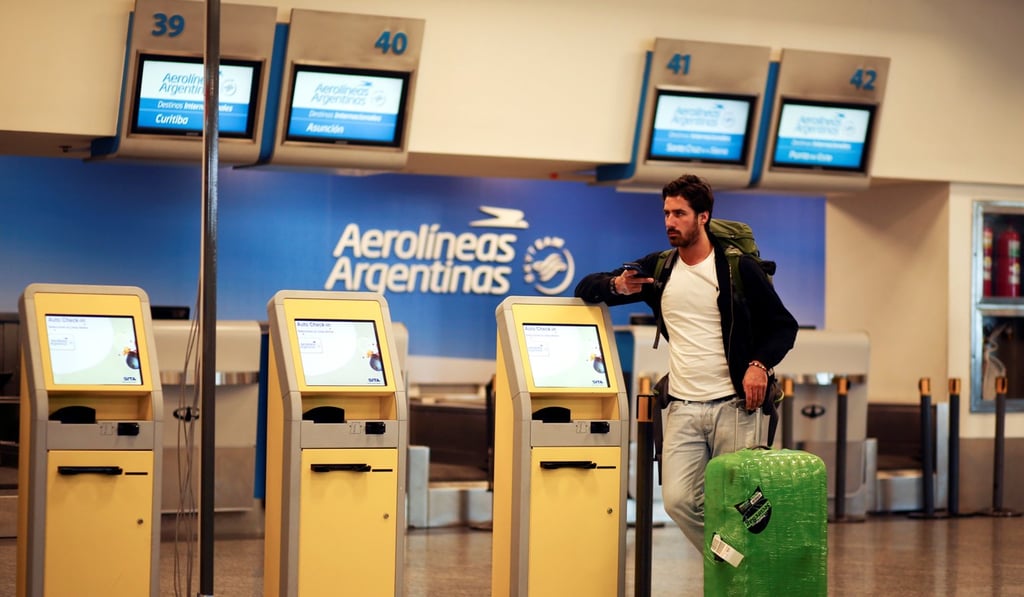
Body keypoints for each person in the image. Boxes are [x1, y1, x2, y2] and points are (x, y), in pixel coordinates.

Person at [574, 173, 798, 551]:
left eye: (679, 214)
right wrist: (617, 286)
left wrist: (759, 365)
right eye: (666, 213)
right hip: (682, 407)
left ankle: (744, 577)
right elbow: (586, 288)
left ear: (703, 217)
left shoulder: (736, 268)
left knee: (741, 505)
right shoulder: (660, 269)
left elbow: (783, 326)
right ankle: (733, 564)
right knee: (678, 501)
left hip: (736, 408)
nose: (669, 222)